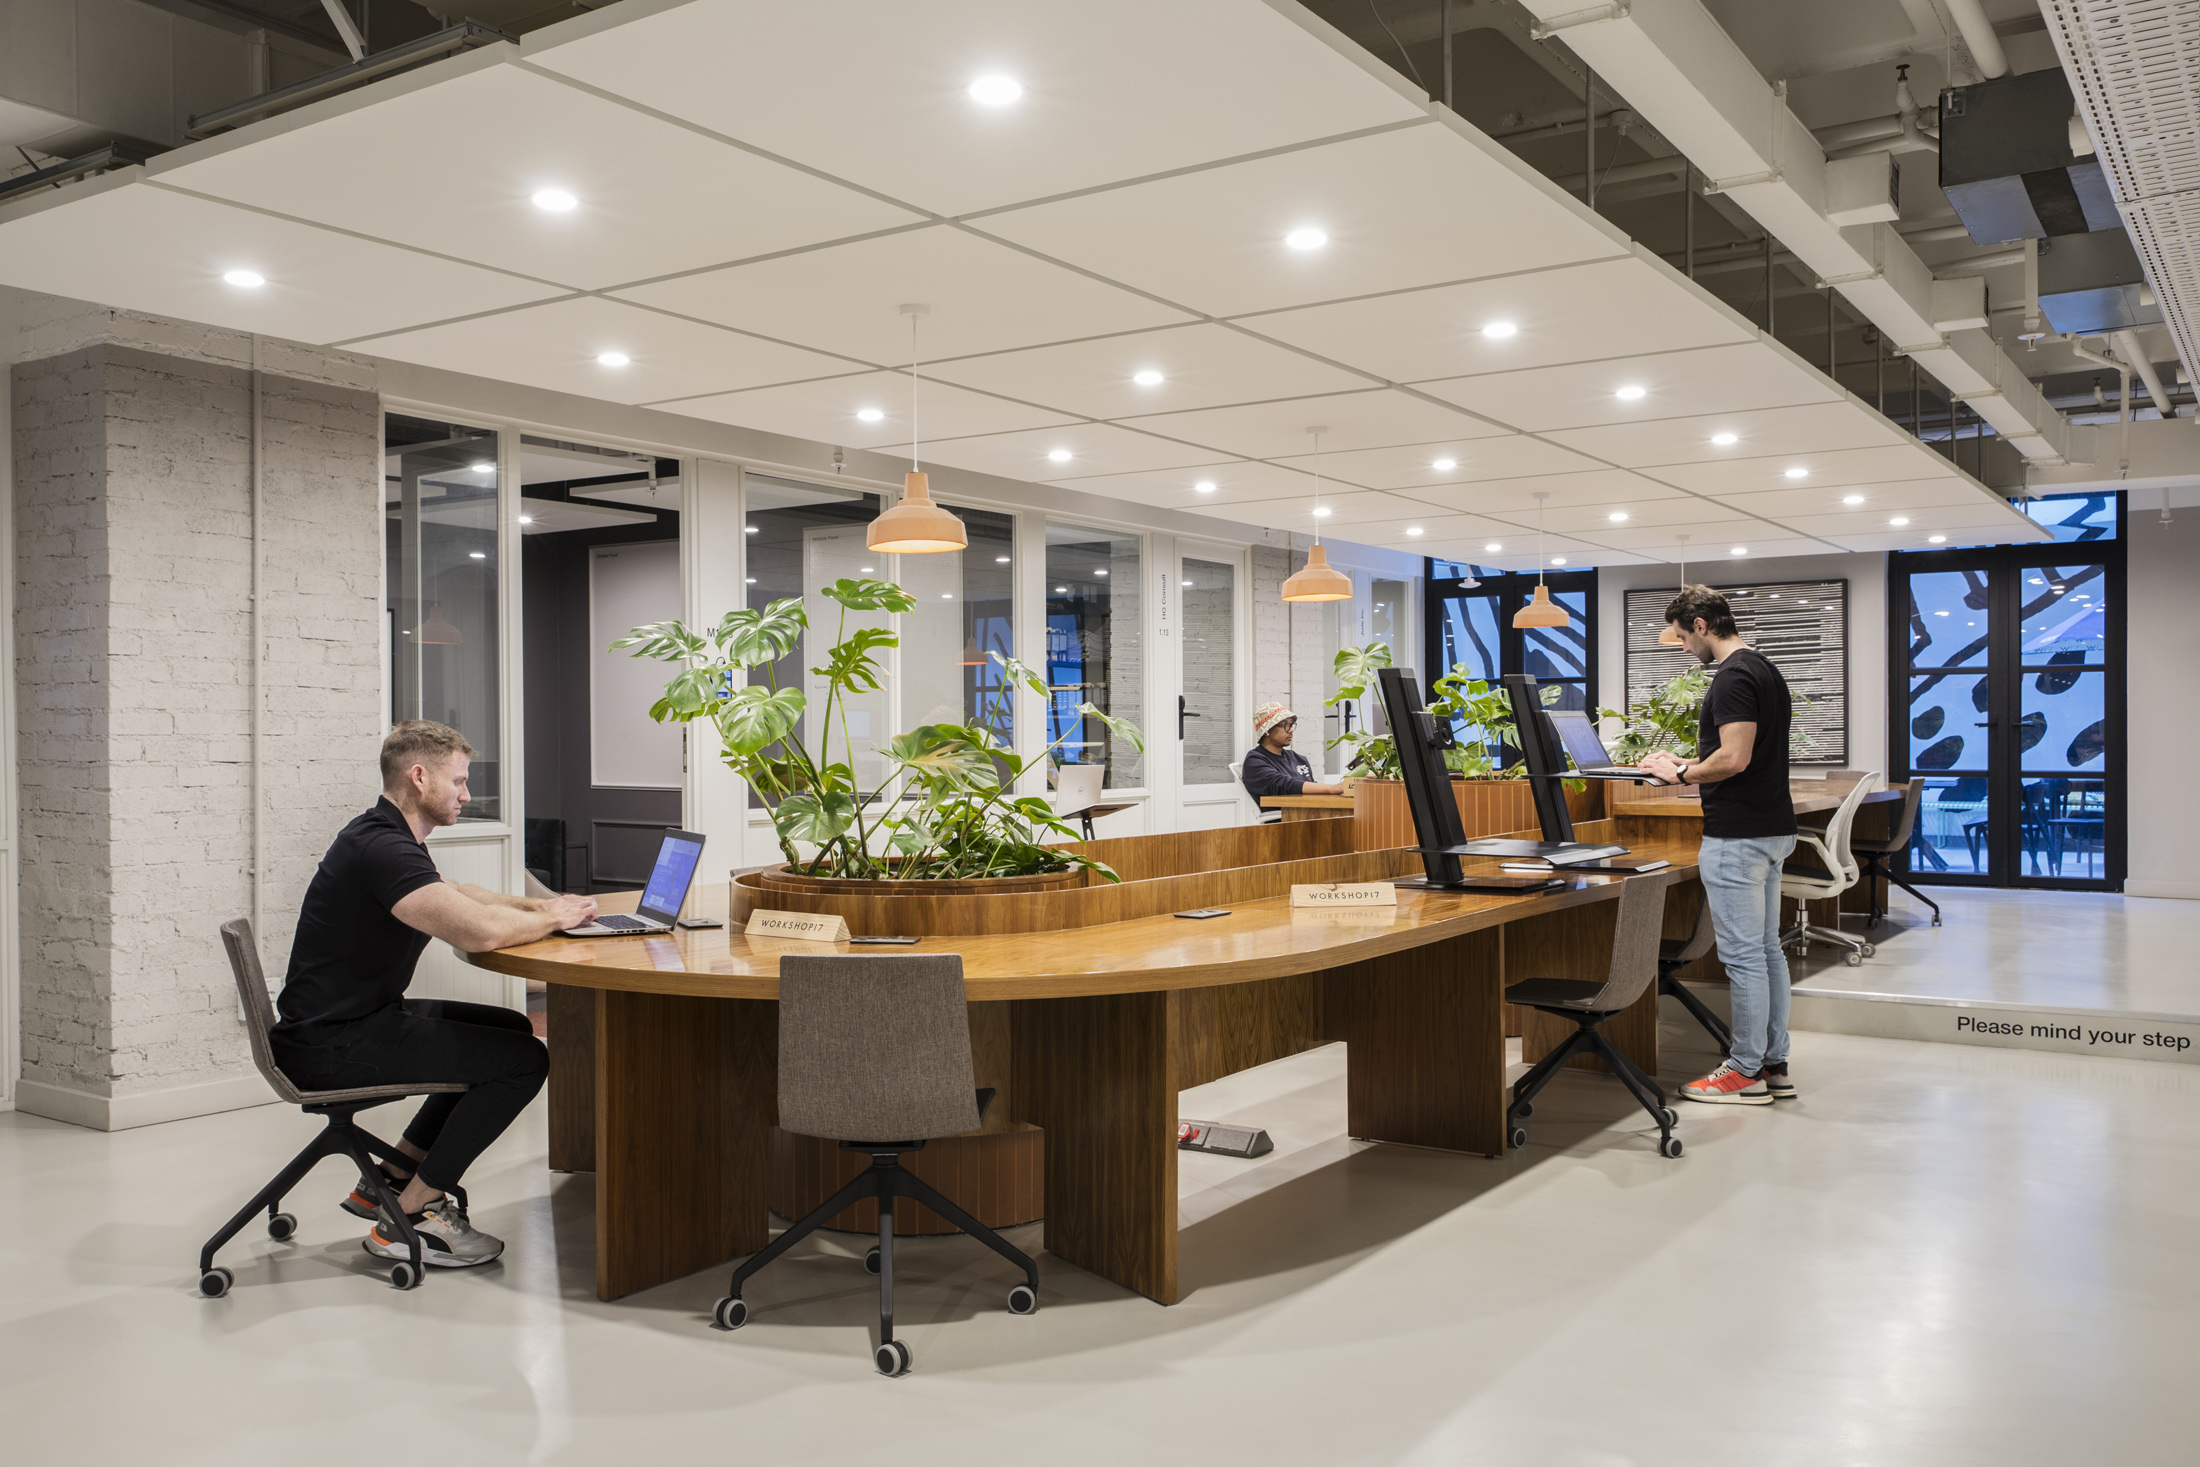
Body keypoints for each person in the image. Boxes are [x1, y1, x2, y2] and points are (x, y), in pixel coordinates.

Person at [272, 721, 598, 1267]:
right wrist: (552, 919)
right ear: (419, 777)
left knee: (510, 1029)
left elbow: (459, 895)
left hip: (341, 1023)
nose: (467, 796)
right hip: (332, 1043)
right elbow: (480, 933)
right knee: (523, 1061)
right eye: (460, 782)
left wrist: (542, 909)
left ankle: (391, 1177)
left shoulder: (382, 834)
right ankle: (414, 1216)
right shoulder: (383, 848)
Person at [1640, 585, 1798, 1108]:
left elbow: (1733, 759)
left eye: (1684, 638)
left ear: (1702, 626)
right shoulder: (1763, 667)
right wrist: (1686, 763)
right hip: (1773, 828)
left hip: (1739, 835)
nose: (1684, 648)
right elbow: (1739, 750)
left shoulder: (1730, 676)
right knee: (1766, 950)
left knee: (1744, 957)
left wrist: (1679, 772)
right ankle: (1773, 1063)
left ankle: (1744, 1071)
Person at [1240, 701, 1345, 804]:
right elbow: (1284, 785)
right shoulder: (1255, 761)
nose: (1290, 730)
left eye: (1291, 725)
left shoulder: (1298, 759)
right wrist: (1331, 788)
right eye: (1284, 725)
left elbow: (1312, 790)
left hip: (1312, 813)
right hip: (1285, 818)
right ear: (1267, 730)